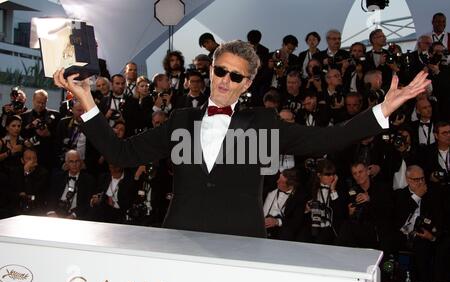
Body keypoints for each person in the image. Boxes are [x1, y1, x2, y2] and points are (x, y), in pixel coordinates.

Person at [54, 40, 431, 238]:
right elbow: (121, 150)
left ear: (248, 84)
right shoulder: (181, 120)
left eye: (236, 76)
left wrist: (382, 110)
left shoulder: (263, 124)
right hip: (179, 240)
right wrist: (85, 100)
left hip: (242, 243)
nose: (224, 81)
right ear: (210, 69)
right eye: (220, 71)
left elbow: (328, 139)